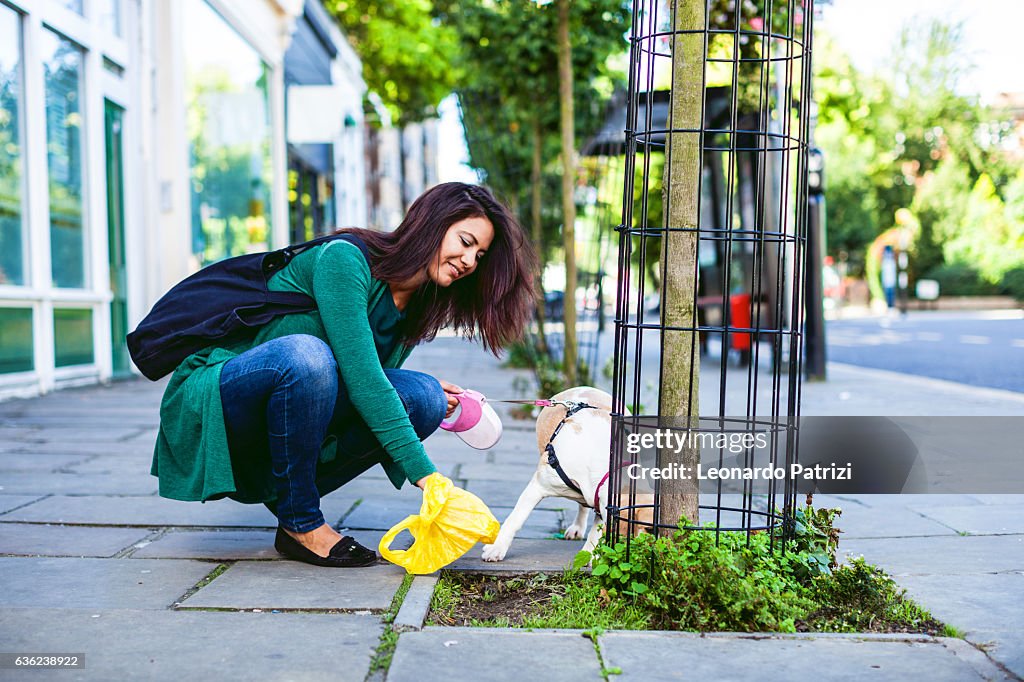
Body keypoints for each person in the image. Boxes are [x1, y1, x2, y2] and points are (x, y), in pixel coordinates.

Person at [152, 183, 536, 567]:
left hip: (292, 407)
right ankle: (302, 521)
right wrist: (431, 480)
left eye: (479, 255)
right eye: (465, 241)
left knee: (424, 397)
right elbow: (364, 381)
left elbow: (364, 376)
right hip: (222, 397)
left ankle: (290, 500)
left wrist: (427, 392)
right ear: (432, 224)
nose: (470, 260)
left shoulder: (415, 304)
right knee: (309, 356)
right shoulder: (345, 259)